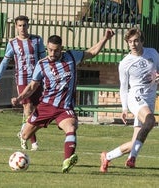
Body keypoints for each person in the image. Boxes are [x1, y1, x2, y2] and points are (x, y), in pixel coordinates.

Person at [11, 30, 115, 173]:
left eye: (56, 50)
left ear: (61, 48)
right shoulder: (42, 65)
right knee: (25, 135)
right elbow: (32, 86)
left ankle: (67, 161)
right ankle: (24, 135)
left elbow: (91, 53)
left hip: (65, 107)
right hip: (46, 106)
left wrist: (105, 38)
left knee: (71, 128)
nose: (52, 53)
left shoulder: (71, 56)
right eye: (50, 50)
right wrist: (19, 98)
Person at [100, 28, 159, 173]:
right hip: (135, 97)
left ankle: (107, 156)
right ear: (127, 43)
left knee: (135, 140)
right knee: (150, 121)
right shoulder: (125, 63)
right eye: (130, 42)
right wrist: (124, 108)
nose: (133, 44)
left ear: (142, 41)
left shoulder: (153, 53)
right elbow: (123, 87)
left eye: (136, 41)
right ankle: (132, 159)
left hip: (150, 98)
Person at [0, 15, 46, 151]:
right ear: (16, 27)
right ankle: (32, 142)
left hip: (36, 79)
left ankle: (23, 133)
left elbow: (44, 59)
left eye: (24, 25)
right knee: (28, 107)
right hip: (22, 79)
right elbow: (5, 62)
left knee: (37, 111)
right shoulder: (12, 44)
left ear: (28, 26)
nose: (22, 28)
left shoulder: (37, 40)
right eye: (20, 25)